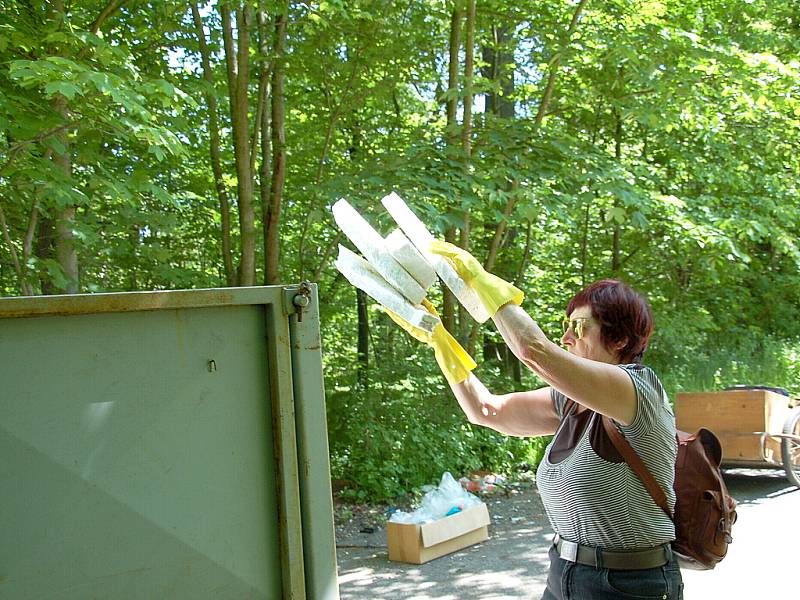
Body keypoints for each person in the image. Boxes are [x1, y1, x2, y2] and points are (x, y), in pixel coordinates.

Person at [385, 240, 683, 600]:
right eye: (565, 325)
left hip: (628, 585)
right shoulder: (571, 401)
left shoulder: (639, 390)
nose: (566, 337)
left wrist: (481, 281)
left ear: (619, 339)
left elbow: (534, 351)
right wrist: (440, 341)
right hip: (565, 575)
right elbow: (485, 411)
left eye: (579, 326)